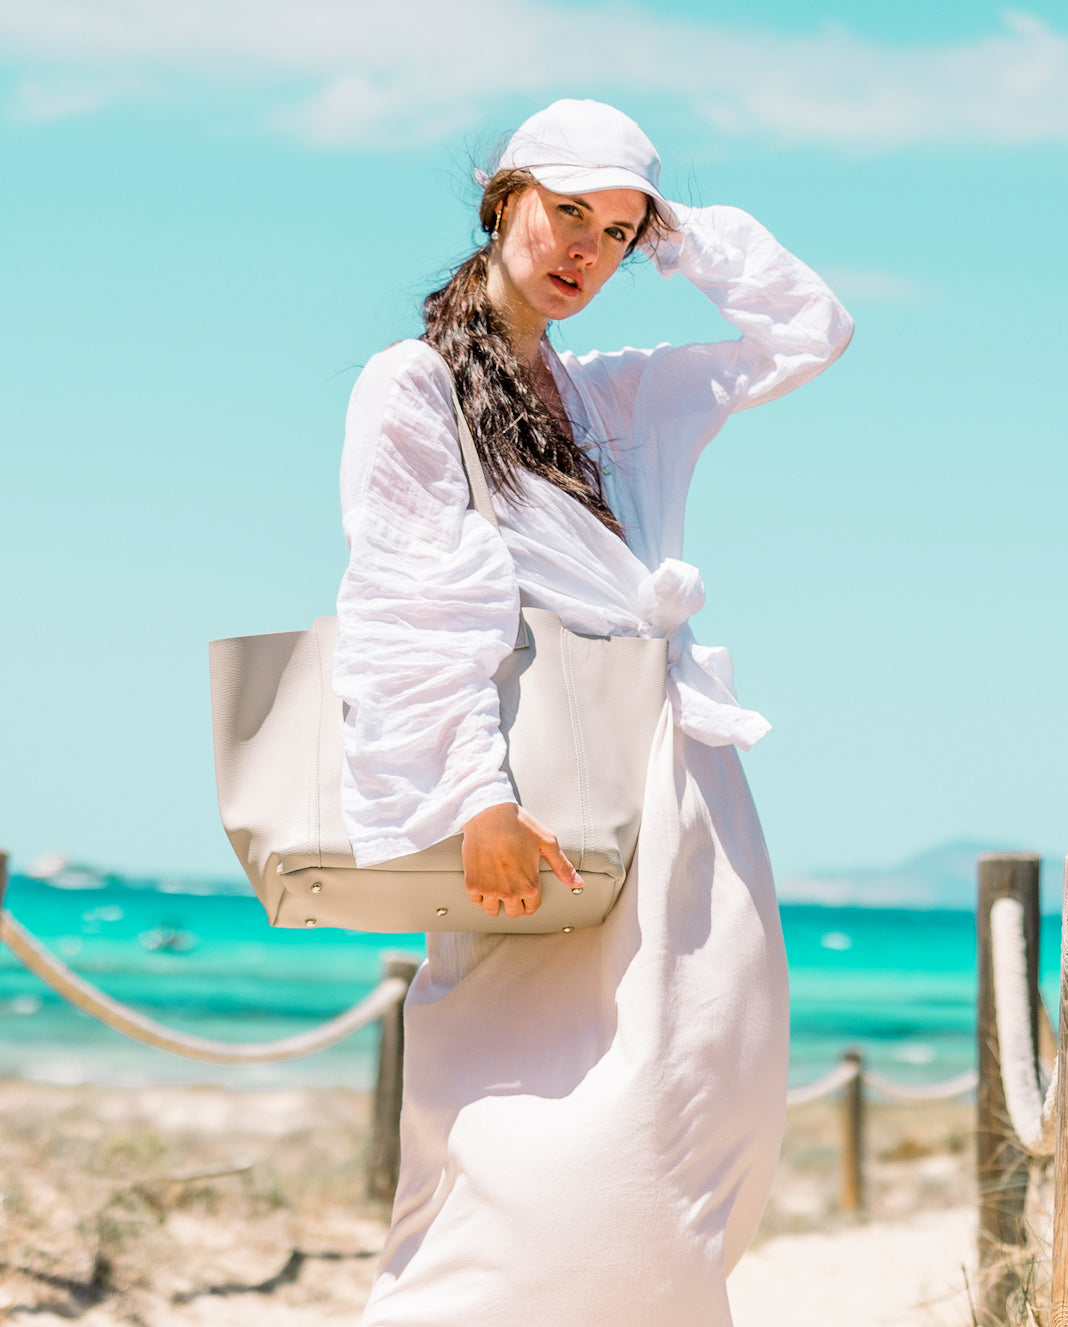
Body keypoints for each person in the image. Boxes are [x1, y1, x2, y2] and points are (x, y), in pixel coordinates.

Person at [334, 98, 853, 1326]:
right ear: (501, 196)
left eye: (618, 235)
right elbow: (409, 605)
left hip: (676, 785)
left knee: (703, 1088)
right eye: (568, 211)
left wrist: (681, 234)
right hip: (533, 793)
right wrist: (477, 801)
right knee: (537, 1122)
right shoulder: (412, 385)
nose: (587, 251)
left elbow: (807, 331)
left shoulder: (609, 393)